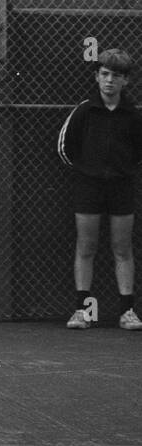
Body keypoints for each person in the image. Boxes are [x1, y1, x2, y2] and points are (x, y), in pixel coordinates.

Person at [57, 48, 142, 330]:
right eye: (104, 74)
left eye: (116, 76)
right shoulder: (84, 111)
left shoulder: (133, 115)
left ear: (125, 81)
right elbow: (65, 148)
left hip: (122, 187)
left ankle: (127, 312)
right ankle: (81, 311)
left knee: (122, 247)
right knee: (87, 246)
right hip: (88, 187)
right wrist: (88, 171)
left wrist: (123, 171)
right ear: (96, 76)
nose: (109, 81)